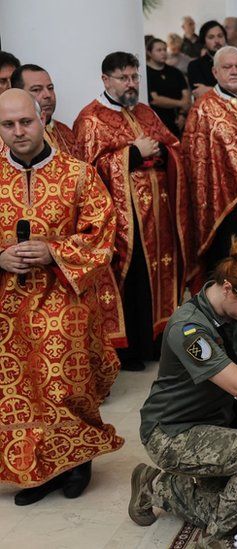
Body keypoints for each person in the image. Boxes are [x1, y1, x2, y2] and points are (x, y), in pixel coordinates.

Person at [131, 238, 237, 546]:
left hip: (220, 421)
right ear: (227, 289)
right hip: (174, 431)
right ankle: (216, 539)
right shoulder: (188, 328)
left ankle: (157, 485)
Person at [0, 87, 124, 507]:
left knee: (63, 384)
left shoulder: (78, 173)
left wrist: (54, 251)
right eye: (8, 124)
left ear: (42, 118)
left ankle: (76, 462)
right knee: (20, 389)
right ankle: (35, 468)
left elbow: (103, 234)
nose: (19, 132)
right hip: (9, 306)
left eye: (26, 122)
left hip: (64, 302)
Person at [74, 51, 185, 372]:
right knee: (134, 279)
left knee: (163, 274)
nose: (131, 84)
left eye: (135, 77)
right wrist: (132, 155)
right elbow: (88, 170)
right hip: (125, 220)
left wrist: (161, 152)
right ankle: (133, 348)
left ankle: (159, 342)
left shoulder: (146, 112)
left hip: (160, 213)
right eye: (124, 78)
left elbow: (173, 146)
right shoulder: (91, 119)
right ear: (106, 80)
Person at [182, 46, 237, 293]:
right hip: (224, 201)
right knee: (233, 264)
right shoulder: (203, 107)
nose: (234, 72)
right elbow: (195, 161)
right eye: (227, 67)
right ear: (215, 71)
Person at [11, 64, 80, 156]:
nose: (48, 95)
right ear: (18, 95)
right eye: (36, 90)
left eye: (50, 88)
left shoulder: (65, 131)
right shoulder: (10, 135)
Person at [145, 37, 190, 137]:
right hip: (157, 122)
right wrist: (181, 103)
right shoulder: (145, 73)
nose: (163, 53)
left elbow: (186, 96)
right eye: (159, 50)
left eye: (164, 49)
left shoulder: (175, 72)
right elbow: (155, 100)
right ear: (149, 53)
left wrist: (182, 114)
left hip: (179, 120)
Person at [186, 21, 227, 98]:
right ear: (204, 41)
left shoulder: (235, 61)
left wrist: (210, 90)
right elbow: (200, 93)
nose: (217, 41)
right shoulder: (195, 65)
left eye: (220, 36)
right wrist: (227, 92)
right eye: (211, 37)